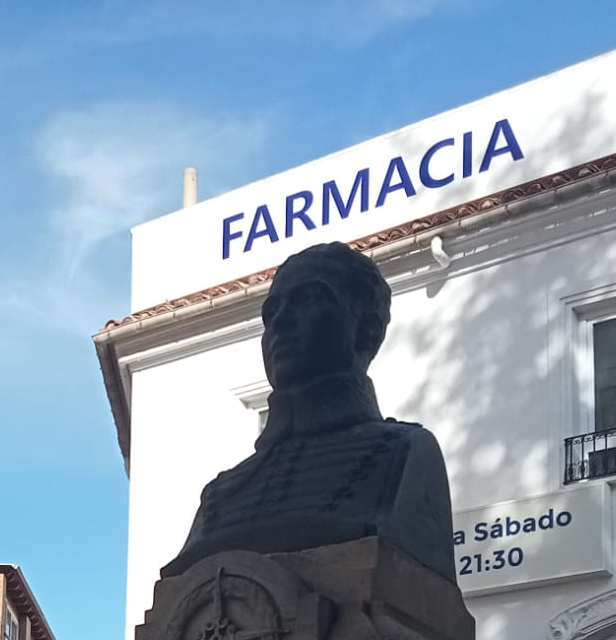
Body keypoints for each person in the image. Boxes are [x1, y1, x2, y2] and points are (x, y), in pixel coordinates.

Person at [162, 240, 456, 580]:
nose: (280, 322)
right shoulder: (219, 499)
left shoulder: (403, 454)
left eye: (309, 300)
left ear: (367, 330)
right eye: (271, 313)